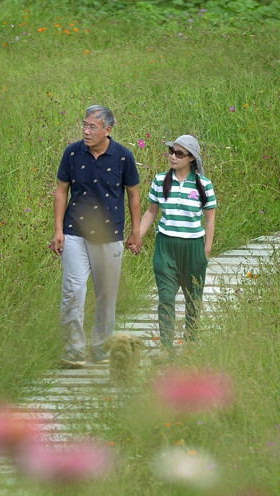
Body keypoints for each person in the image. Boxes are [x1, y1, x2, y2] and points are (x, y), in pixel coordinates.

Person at [51, 105, 142, 368]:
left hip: (109, 234)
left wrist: (135, 232)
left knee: (106, 295)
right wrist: (58, 230)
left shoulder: (123, 157)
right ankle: (73, 349)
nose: (86, 131)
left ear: (108, 130)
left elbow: (133, 195)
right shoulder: (72, 153)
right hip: (74, 232)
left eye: (93, 127)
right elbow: (61, 191)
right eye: (84, 125)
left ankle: (100, 346)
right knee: (73, 290)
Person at [137, 134, 217, 350]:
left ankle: (190, 344)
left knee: (193, 299)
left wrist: (206, 250)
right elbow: (151, 211)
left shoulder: (204, 185)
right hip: (166, 246)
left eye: (179, 153)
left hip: (193, 247)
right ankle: (166, 347)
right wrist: (137, 236)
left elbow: (210, 219)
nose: (173, 156)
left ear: (191, 158)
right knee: (165, 297)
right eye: (171, 151)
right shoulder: (160, 180)